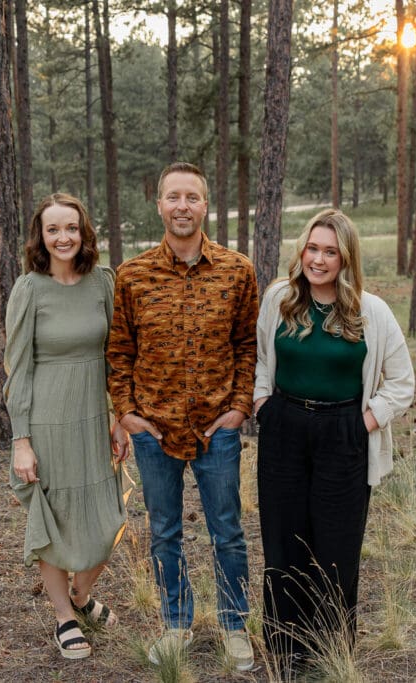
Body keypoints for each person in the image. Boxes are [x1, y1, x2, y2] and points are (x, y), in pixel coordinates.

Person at [108, 162, 258, 671]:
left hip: (218, 427)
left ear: (205, 204)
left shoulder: (237, 271)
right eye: (173, 197)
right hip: (154, 429)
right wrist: (126, 412)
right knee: (165, 530)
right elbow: (119, 351)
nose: (182, 206)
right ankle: (177, 624)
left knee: (227, 530)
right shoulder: (132, 276)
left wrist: (240, 407)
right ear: (158, 205)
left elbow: (246, 346)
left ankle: (235, 626)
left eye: (192, 197)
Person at [252, 208, 415, 669]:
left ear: (346, 259)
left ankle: (331, 651)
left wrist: (362, 423)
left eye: (330, 252)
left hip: (344, 435)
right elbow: (263, 360)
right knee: (284, 543)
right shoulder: (280, 299)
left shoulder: (371, 311)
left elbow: (401, 383)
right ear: (301, 249)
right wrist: (265, 404)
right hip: (284, 429)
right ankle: (286, 650)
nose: (318, 260)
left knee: (336, 547)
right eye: (312, 248)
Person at [3, 193, 126, 660]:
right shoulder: (29, 289)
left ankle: (81, 595)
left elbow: (115, 358)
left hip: (94, 419)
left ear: (84, 231)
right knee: (53, 525)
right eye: (53, 229)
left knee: (106, 521)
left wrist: (119, 418)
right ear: (41, 236)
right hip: (46, 421)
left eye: (71, 228)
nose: (63, 237)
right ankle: (63, 617)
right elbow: (18, 368)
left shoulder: (102, 283)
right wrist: (22, 441)